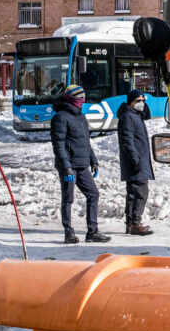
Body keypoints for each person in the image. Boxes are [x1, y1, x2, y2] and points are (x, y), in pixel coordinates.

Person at [50, 84, 109, 244]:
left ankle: (92, 232)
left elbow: (85, 142)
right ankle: (68, 232)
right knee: (68, 199)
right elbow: (59, 145)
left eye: (83, 98)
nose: (82, 101)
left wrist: (93, 160)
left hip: (82, 165)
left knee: (93, 194)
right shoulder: (60, 117)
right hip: (68, 168)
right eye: (79, 98)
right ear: (71, 99)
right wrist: (66, 167)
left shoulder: (80, 117)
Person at [116, 89, 154, 236]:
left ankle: (132, 224)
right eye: (138, 101)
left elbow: (147, 115)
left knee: (135, 192)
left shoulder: (135, 115)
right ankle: (135, 223)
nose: (142, 103)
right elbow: (127, 141)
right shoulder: (128, 117)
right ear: (131, 102)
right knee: (140, 192)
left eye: (143, 101)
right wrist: (135, 160)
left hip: (139, 159)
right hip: (135, 161)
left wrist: (144, 102)